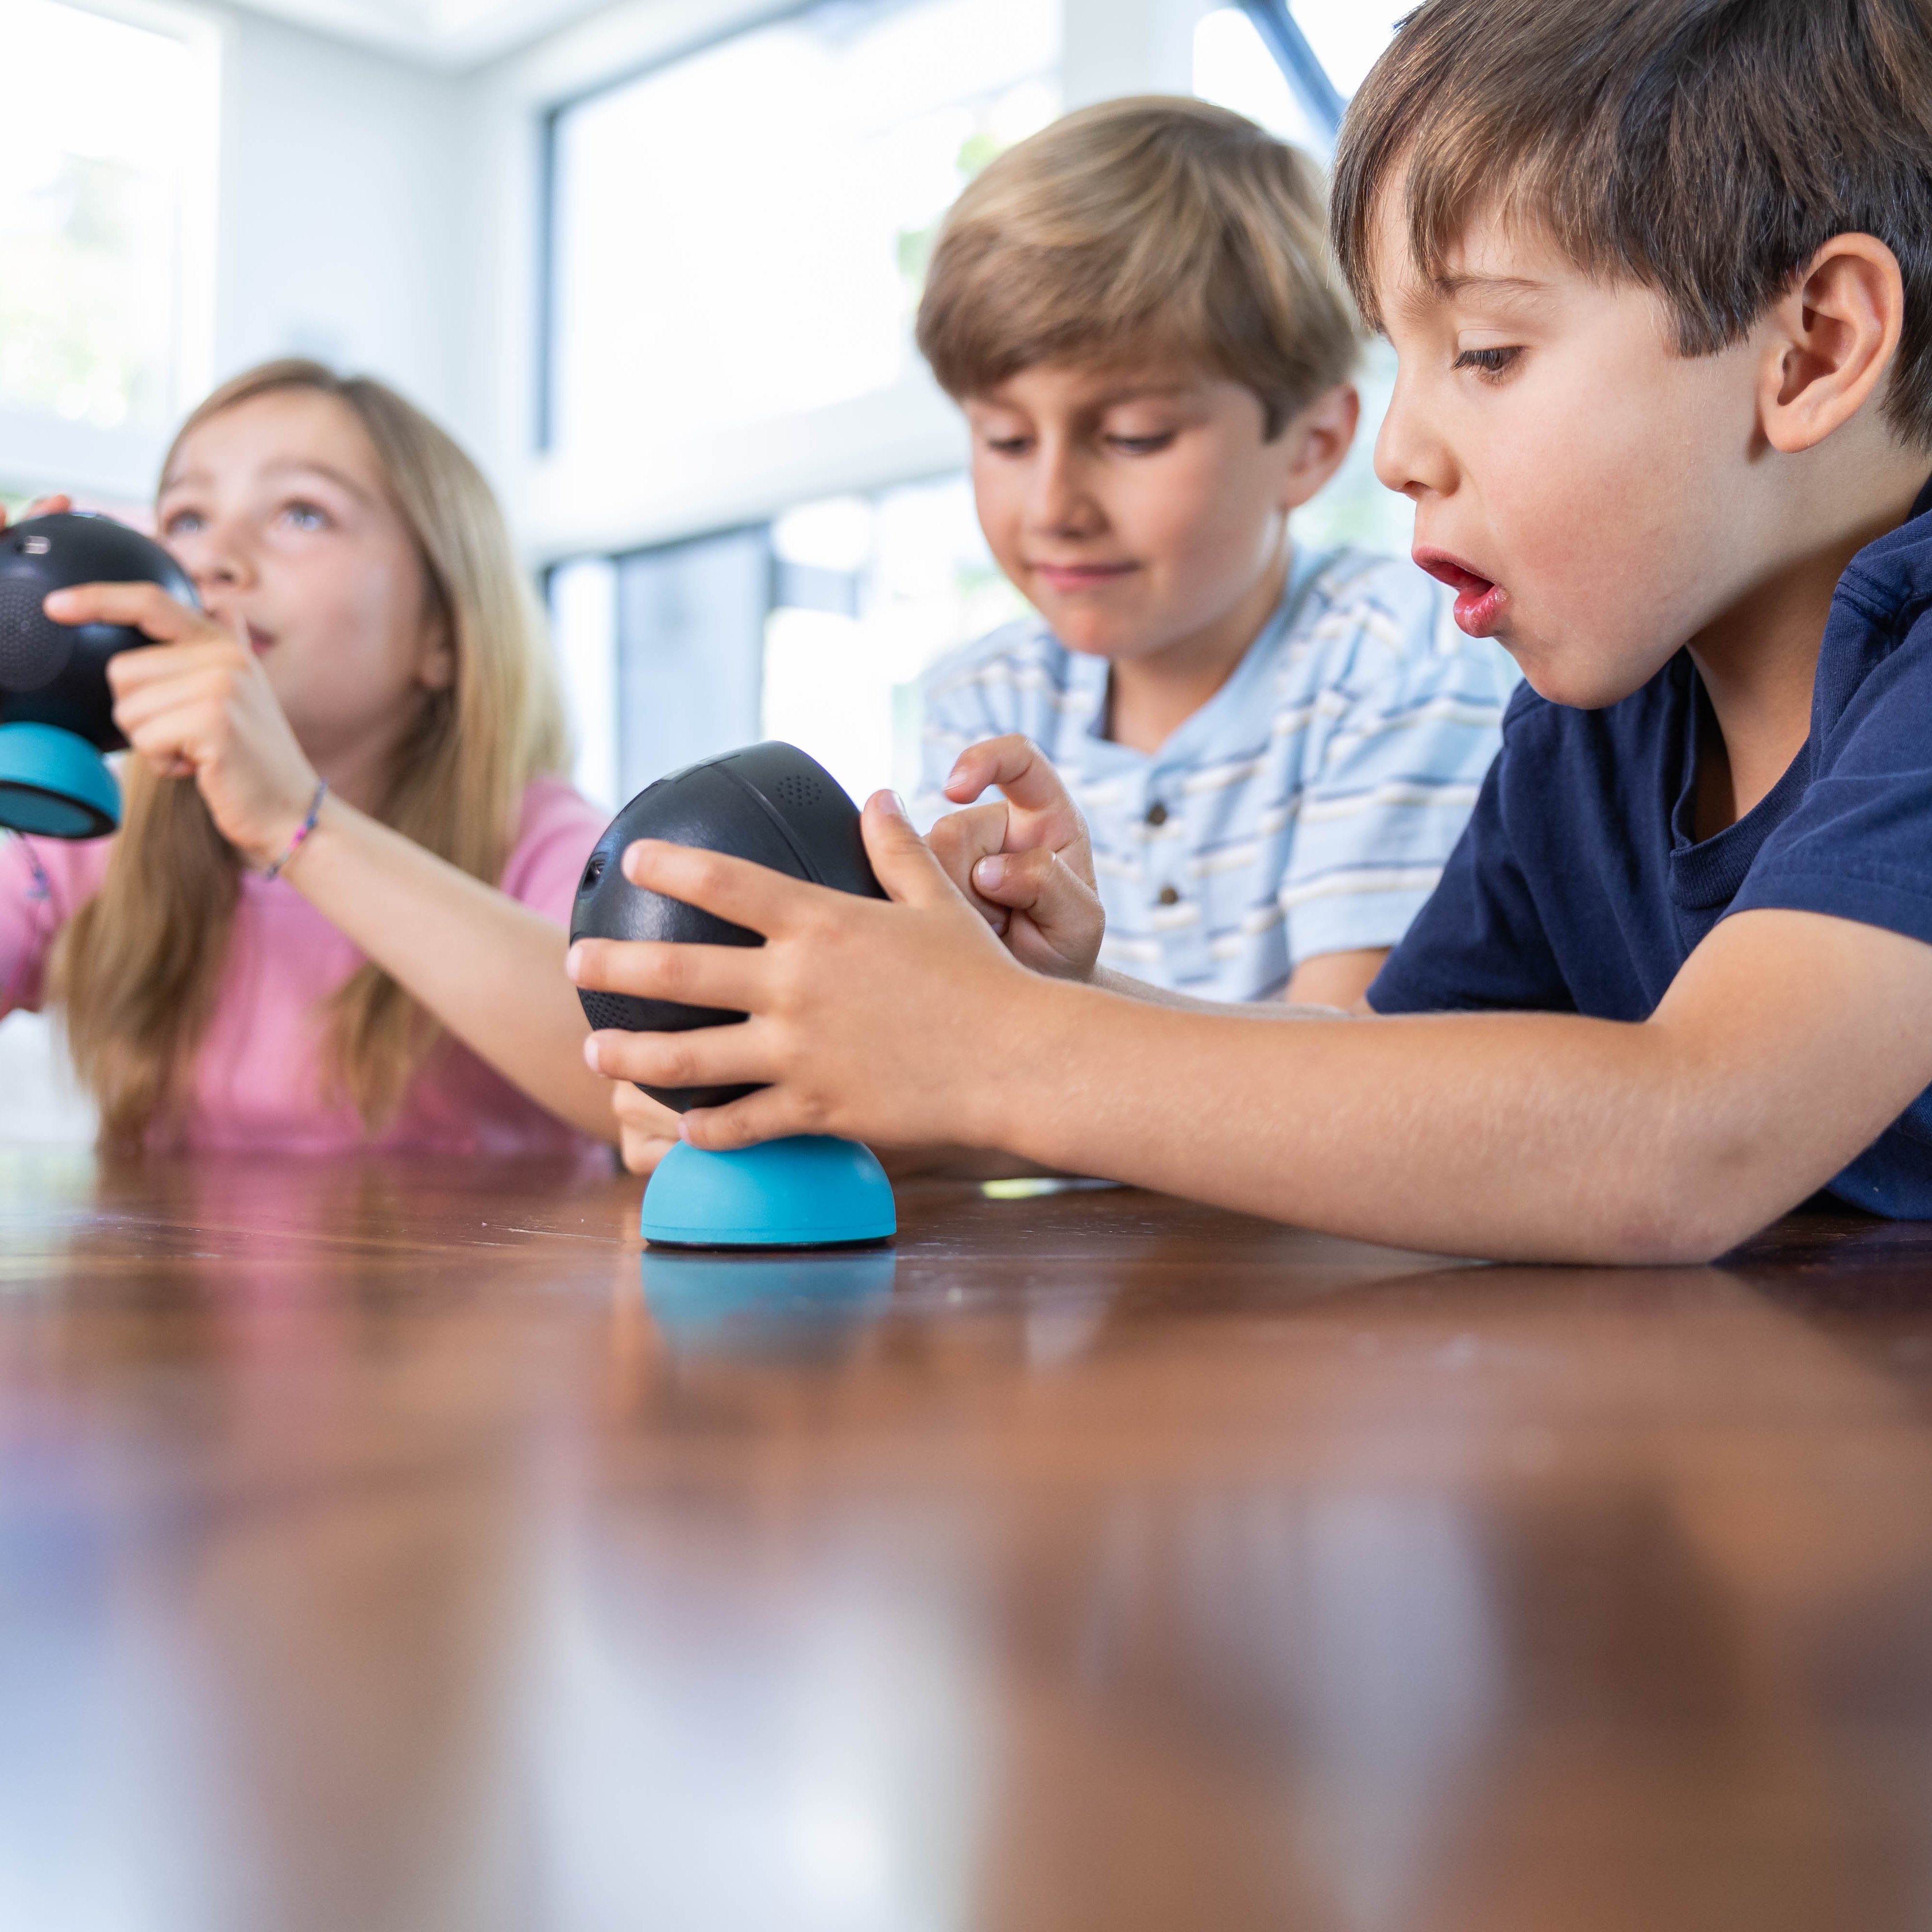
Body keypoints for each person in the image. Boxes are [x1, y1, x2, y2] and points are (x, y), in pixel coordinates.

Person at [573, 0, 1932, 1264]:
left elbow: (1690, 1135)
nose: (1398, 449)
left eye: (1488, 354)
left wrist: (1001, 1049)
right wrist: (1008, 1032)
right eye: (1399, 357)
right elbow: (1389, 1083)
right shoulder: (1596, 718)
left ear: (1814, 349)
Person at [912, 97, 1513, 1010]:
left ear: (1311, 446)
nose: (1052, 509)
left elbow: (1349, 1081)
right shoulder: (984, 704)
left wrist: (1018, 1035)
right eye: (1005, 440)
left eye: (1135, 438)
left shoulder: (1392, 655)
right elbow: (934, 1064)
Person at [0, 359, 655, 1156]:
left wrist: (294, 821)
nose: (215, 561)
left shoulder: (545, 843)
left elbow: (651, 1084)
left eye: (303, 514)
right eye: (187, 520)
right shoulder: (96, 839)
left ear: (442, 632)